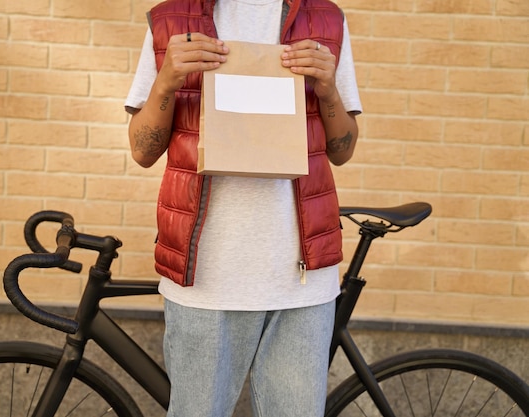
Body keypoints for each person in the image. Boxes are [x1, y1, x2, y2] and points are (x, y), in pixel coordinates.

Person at [125, 0, 361, 416]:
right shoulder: (170, 20)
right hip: (204, 280)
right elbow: (143, 151)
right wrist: (165, 82)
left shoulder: (326, 20)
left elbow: (342, 150)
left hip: (303, 284)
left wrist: (328, 88)